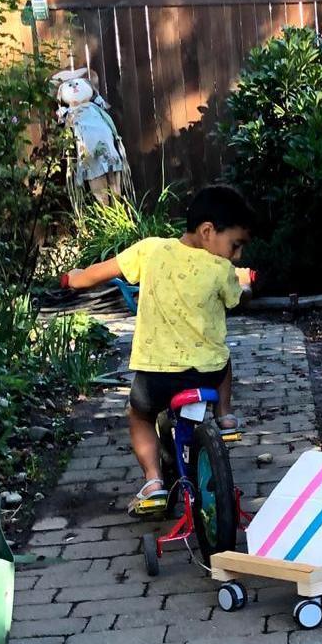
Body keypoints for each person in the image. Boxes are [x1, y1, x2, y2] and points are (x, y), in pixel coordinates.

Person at [61, 185, 255, 516]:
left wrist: (74, 279)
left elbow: (97, 273)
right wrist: (247, 282)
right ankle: (224, 415)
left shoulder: (150, 250)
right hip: (206, 374)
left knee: (139, 415)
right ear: (207, 231)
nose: (235, 255)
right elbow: (239, 296)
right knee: (223, 358)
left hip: (157, 378)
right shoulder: (220, 269)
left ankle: (153, 481)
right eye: (234, 245)